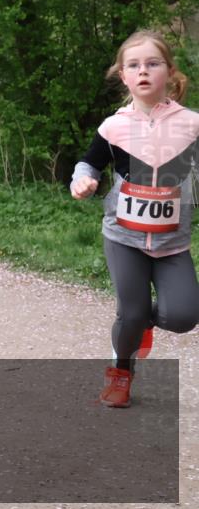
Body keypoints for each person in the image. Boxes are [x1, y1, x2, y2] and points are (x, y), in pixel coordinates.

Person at [70, 30, 198, 408]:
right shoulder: (114, 126)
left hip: (172, 243)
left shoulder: (191, 124)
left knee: (183, 316)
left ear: (170, 73)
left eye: (153, 64)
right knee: (131, 310)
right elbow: (89, 161)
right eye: (134, 65)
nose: (143, 71)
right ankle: (121, 371)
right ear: (122, 75)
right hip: (123, 237)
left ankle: (143, 320)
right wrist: (84, 179)